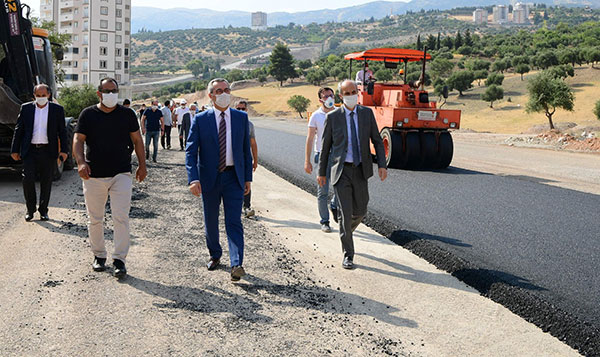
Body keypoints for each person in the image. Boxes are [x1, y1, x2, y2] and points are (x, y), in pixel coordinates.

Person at [72, 77, 147, 278]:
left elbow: (137, 140)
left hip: (121, 173)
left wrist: (142, 165)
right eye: (107, 91)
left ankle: (120, 260)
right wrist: (80, 162)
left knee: (120, 216)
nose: (111, 95)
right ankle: (99, 256)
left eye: (114, 91)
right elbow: (78, 140)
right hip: (93, 175)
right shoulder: (88, 114)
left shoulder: (127, 114)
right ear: (99, 93)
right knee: (95, 218)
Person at [186, 78, 252, 282]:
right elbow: (191, 151)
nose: (224, 94)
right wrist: (193, 178)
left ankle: (236, 263)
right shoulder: (201, 119)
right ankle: (215, 254)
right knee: (211, 221)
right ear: (211, 95)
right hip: (209, 178)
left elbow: (244, 151)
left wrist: (248, 178)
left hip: (234, 177)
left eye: (226, 90)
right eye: (218, 91)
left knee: (234, 221)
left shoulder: (241, 118)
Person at [318, 79, 387, 269]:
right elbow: (325, 149)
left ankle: (342, 223)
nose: (350, 96)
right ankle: (348, 254)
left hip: (361, 169)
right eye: (346, 93)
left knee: (361, 210)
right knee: (346, 214)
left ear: (358, 92)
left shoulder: (366, 114)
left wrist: (382, 164)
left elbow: (377, 141)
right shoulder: (332, 117)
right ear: (341, 96)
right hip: (341, 171)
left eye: (353, 92)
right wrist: (321, 172)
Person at [10, 83, 68, 221]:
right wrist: (14, 149)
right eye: (38, 95)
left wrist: (65, 151)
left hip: (48, 151)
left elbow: (62, 132)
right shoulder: (26, 109)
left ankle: (43, 211)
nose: (41, 98)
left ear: (48, 95)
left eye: (43, 95)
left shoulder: (57, 110)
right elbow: (19, 130)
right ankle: (30, 209)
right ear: (33, 96)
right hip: (30, 150)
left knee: (46, 181)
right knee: (27, 179)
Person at [304, 87, 338, 233]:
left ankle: (335, 205)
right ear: (320, 100)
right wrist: (307, 160)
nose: (329, 98)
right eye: (325, 97)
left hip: (338, 156)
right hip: (322, 156)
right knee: (322, 190)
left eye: (331, 95)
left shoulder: (339, 114)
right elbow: (310, 138)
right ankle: (324, 221)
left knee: (341, 187)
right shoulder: (316, 116)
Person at [235, 100, 258, 218]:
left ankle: (247, 206)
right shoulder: (229, 123)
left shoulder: (249, 125)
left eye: (242, 109)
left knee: (246, 182)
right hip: (232, 159)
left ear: (246, 110)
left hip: (245, 159)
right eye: (238, 109)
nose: (240, 111)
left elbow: (253, 144)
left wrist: (255, 160)